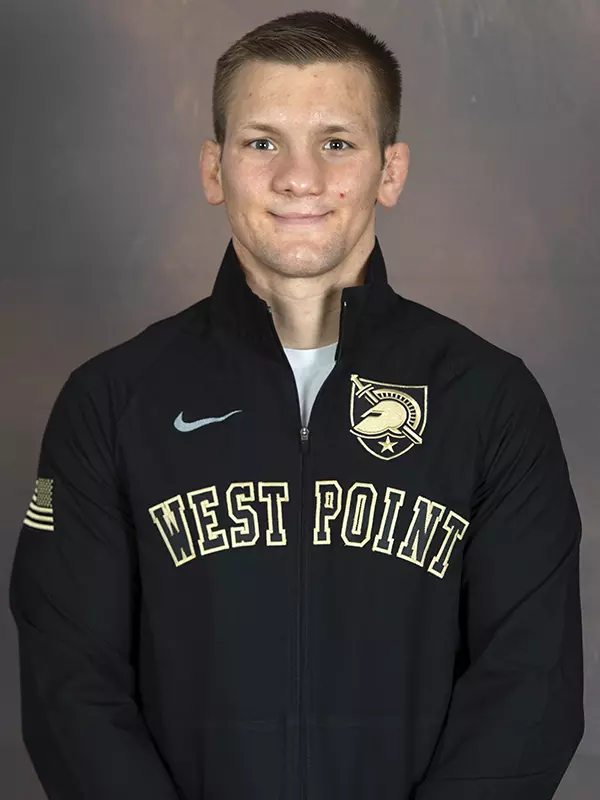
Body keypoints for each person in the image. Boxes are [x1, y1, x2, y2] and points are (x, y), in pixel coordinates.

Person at [9, 10, 584, 800]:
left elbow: (531, 686)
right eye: (262, 141)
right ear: (214, 169)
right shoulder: (113, 401)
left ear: (391, 170)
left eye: (337, 142)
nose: (299, 178)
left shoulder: (490, 399)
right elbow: (68, 685)